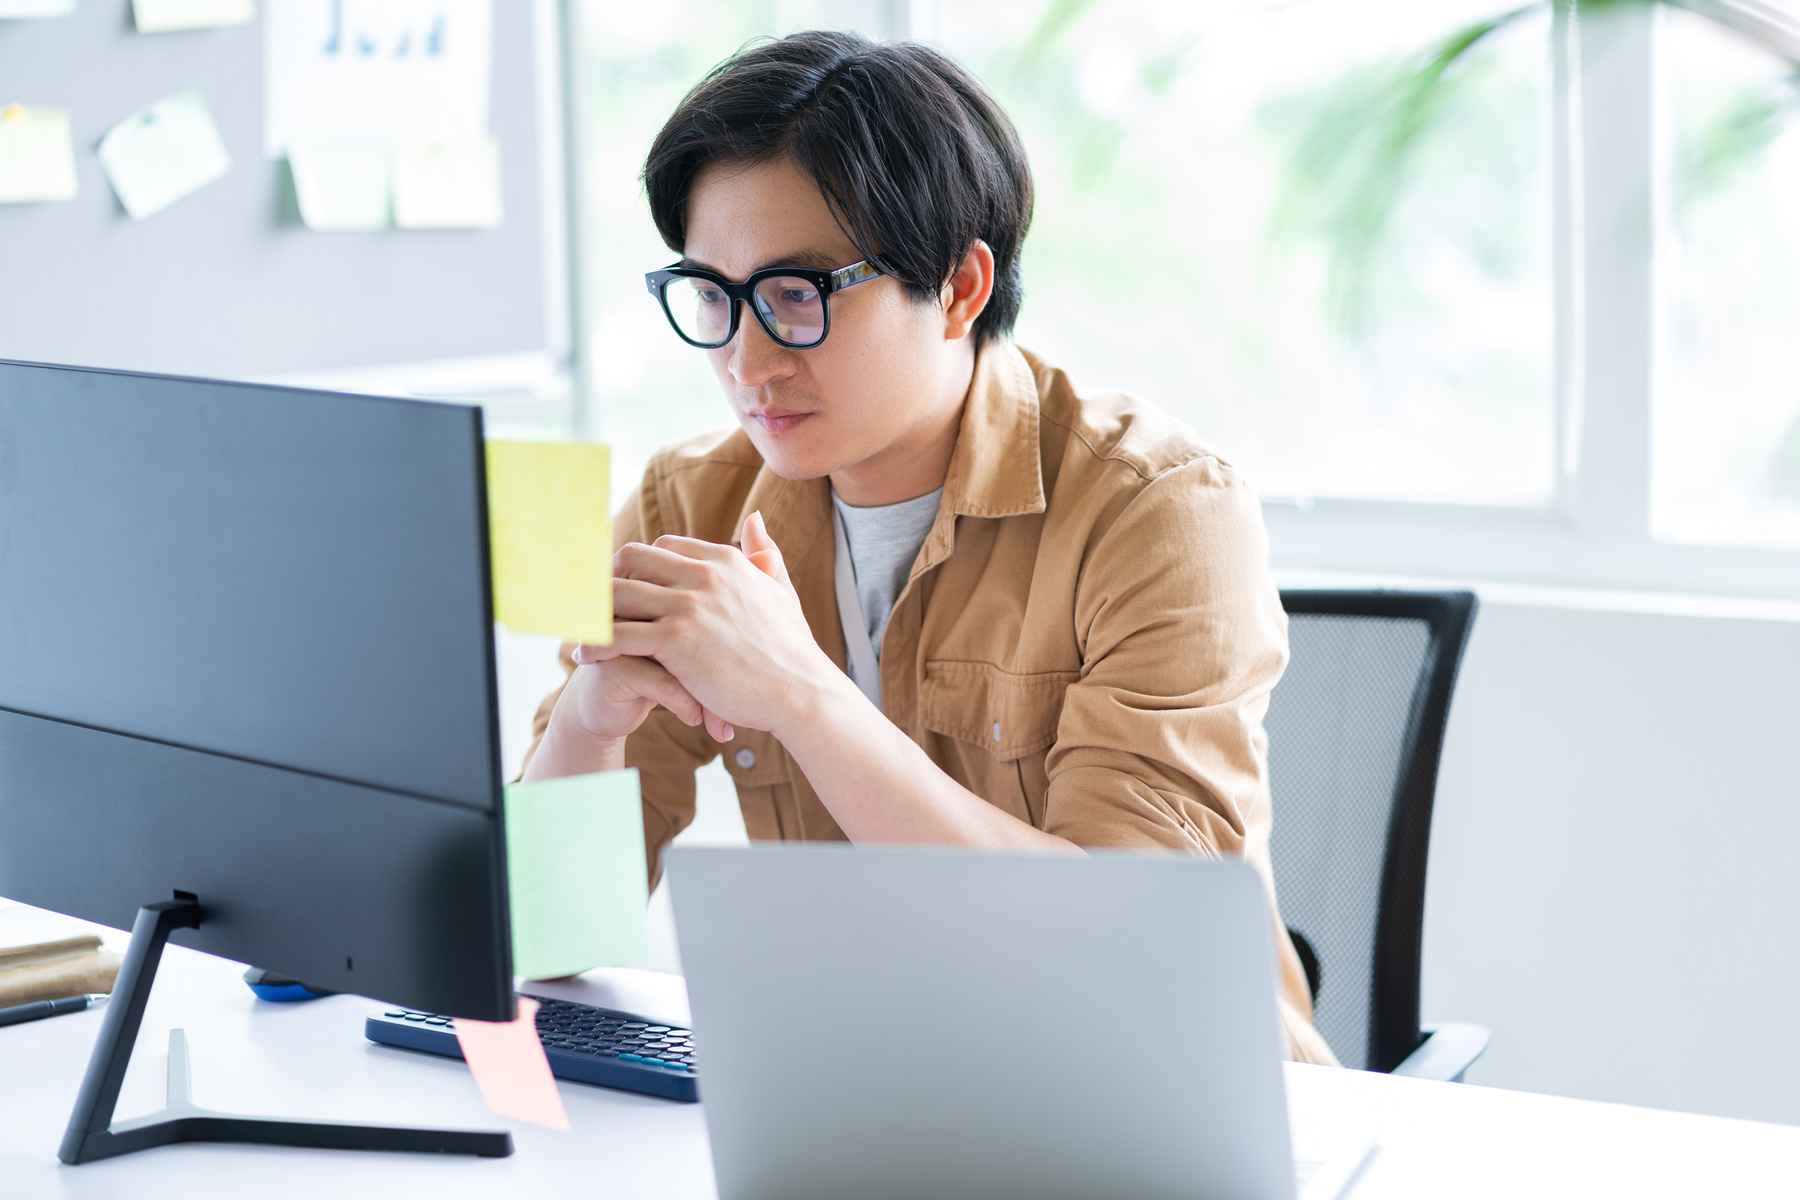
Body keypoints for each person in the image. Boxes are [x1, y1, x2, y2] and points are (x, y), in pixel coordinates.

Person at [522, 29, 1336, 1065]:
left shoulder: (1161, 512)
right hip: (877, 1082)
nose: (746, 358)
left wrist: (801, 696)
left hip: (1167, 1089)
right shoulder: (689, 501)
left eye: (796, 295)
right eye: (716, 296)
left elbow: (1129, 955)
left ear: (958, 287)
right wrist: (590, 722)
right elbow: (539, 941)